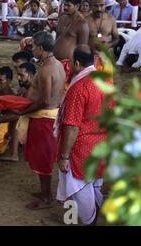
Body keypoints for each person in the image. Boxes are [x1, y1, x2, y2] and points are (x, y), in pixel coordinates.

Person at [11, 31, 65, 210]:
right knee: (42, 157)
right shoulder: (55, 64)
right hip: (47, 116)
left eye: (33, 46)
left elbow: (45, 100)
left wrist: (23, 111)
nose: (32, 49)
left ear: (41, 49)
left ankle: (47, 197)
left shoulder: (47, 68)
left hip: (44, 118)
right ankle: (45, 193)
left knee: (43, 159)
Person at [55, 45, 106, 226]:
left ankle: (89, 220)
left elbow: (72, 126)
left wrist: (65, 156)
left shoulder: (78, 88)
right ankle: (95, 215)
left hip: (81, 149)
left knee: (80, 188)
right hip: (102, 145)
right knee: (94, 184)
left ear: (76, 63)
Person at [54, 0, 90, 84]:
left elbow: (83, 48)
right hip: (55, 61)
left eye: (68, 5)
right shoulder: (62, 18)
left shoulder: (82, 24)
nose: (65, 7)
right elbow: (57, 38)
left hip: (69, 65)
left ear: (77, 6)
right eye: (64, 5)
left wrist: (77, 69)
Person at [85, 0, 119, 80]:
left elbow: (116, 39)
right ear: (91, 6)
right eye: (96, 6)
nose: (99, 9)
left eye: (102, 5)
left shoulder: (111, 19)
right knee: (91, 86)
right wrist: (91, 49)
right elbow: (80, 41)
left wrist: (108, 45)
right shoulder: (85, 21)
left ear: (105, 5)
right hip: (89, 58)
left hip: (106, 57)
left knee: (106, 87)